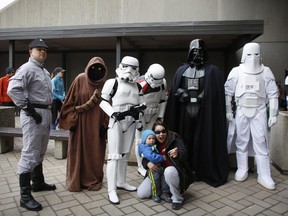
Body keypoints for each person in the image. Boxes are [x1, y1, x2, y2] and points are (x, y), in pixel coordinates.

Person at [164, 38, 229, 187]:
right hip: (185, 112)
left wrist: (203, 96)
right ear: (190, 52)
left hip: (204, 113)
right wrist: (182, 92)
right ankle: (185, 168)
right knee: (184, 139)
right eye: (195, 51)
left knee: (203, 140)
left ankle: (202, 170)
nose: (198, 54)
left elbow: (214, 92)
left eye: (200, 51)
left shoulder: (212, 71)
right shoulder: (181, 70)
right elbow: (175, 89)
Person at [7, 38, 56, 212]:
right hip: (33, 113)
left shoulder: (43, 71)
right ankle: (25, 196)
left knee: (41, 149)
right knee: (30, 152)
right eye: (38, 49)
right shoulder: (27, 68)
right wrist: (28, 108)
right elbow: (13, 89)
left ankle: (38, 182)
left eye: (44, 49)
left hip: (45, 113)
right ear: (30, 52)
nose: (42, 51)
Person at [225, 42, 279, 190]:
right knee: (241, 139)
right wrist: (229, 110)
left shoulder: (266, 71)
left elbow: (273, 94)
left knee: (261, 140)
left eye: (256, 54)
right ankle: (242, 168)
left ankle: (264, 174)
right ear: (244, 55)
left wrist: (273, 113)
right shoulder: (236, 71)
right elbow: (228, 93)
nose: (253, 58)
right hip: (241, 109)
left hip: (259, 110)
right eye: (249, 54)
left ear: (260, 54)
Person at [99, 56, 145, 205]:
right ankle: (111, 189)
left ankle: (121, 181)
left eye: (134, 68)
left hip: (130, 123)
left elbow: (139, 106)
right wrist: (113, 113)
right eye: (127, 66)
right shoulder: (113, 82)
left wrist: (138, 120)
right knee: (114, 156)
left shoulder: (138, 86)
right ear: (121, 66)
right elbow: (103, 101)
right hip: (116, 122)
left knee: (125, 155)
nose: (130, 71)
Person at [58, 57, 109, 192]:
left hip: (97, 126)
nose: (96, 71)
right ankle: (76, 180)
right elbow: (68, 103)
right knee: (77, 152)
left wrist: (105, 125)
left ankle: (92, 180)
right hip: (79, 125)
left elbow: (110, 106)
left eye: (100, 69)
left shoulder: (106, 84)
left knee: (95, 153)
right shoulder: (80, 79)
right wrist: (71, 120)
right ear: (88, 68)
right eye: (93, 68)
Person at [137, 120, 195, 210]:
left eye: (163, 131)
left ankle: (177, 199)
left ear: (167, 131)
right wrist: (148, 163)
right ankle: (162, 191)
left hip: (172, 173)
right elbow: (145, 157)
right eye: (157, 132)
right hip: (157, 173)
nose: (161, 134)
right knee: (141, 193)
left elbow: (184, 152)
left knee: (168, 171)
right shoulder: (152, 141)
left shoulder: (174, 139)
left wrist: (178, 153)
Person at [135, 63, 167, 176]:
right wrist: (138, 120)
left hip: (154, 113)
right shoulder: (140, 83)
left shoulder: (162, 83)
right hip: (142, 115)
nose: (157, 83)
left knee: (153, 140)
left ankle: (153, 162)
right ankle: (141, 166)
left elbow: (163, 100)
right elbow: (135, 103)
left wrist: (161, 116)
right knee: (140, 141)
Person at [138, 129, 171, 203]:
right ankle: (155, 194)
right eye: (149, 138)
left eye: (153, 138)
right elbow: (151, 156)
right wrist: (161, 158)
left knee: (164, 179)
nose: (152, 140)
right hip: (152, 170)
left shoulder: (152, 146)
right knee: (155, 179)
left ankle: (165, 193)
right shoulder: (144, 147)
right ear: (144, 139)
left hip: (160, 167)